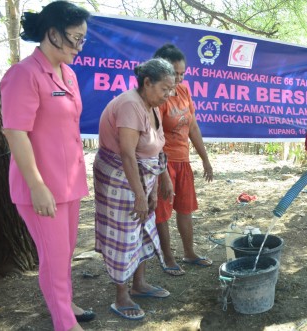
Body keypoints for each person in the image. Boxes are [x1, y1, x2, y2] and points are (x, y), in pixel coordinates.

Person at [0, 2, 93, 330]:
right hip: (40, 187)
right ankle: (65, 324)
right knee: (53, 261)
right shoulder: (23, 74)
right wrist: (37, 186)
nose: (79, 47)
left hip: (68, 183)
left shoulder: (67, 73)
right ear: (52, 34)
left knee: (64, 255)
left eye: (83, 40)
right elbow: (15, 132)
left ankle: (65, 302)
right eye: (75, 39)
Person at [94, 58, 176, 320]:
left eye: (171, 88)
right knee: (124, 235)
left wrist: (153, 189)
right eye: (165, 88)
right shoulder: (131, 104)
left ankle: (139, 285)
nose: (169, 94)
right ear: (147, 82)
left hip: (142, 178)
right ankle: (122, 296)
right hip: (120, 178)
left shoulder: (152, 105)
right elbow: (128, 155)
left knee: (142, 231)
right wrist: (140, 194)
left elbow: (154, 148)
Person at [153, 44, 214, 276]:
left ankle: (189, 253)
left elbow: (193, 126)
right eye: (174, 73)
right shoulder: (158, 97)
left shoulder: (184, 91)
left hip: (183, 160)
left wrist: (205, 160)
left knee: (185, 209)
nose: (178, 78)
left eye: (182, 73)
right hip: (163, 162)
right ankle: (167, 257)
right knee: (162, 212)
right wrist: (163, 173)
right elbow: (154, 137)